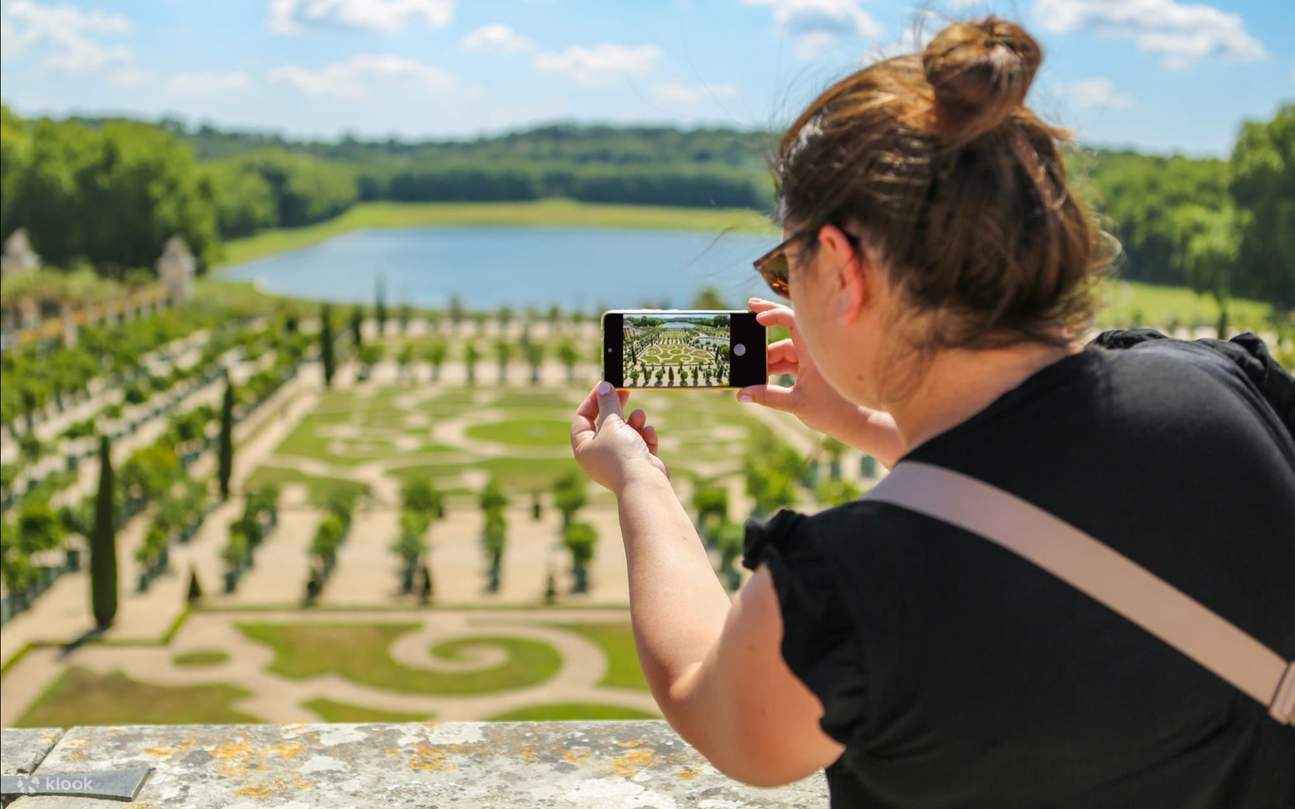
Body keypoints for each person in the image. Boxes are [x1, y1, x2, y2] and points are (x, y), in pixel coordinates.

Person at [569, 15, 1295, 809]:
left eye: (787, 269)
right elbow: (1056, 482)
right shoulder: (1221, 388)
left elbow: (710, 701)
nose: (786, 293)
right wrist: (867, 421)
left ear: (844, 268)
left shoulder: (855, 587)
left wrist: (638, 481)